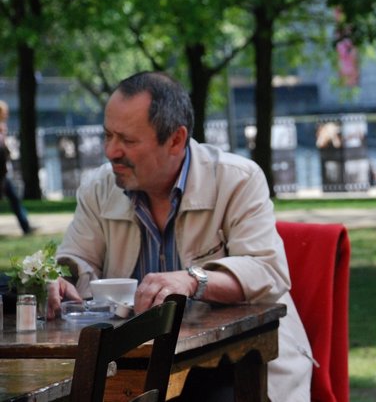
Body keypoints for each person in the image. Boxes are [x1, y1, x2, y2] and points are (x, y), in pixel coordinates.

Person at [49, 71, 313, 401]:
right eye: (107, 136)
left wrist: (192, 281)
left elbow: (268, 272)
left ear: (175, 140)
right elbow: (76, 260)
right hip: (133, 365)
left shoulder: (237, 179)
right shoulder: (99, 187)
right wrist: (61, 281)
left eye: (128, 141)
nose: (111, 152)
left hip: (235, 364)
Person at [0, 101, 34, 235]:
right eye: (5, 112)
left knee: (14, 199)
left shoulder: (3, 128)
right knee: (14, 199)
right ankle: (26, 226)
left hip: (4, 172)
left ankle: (26, 226)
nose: (7, 114)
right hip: (2, 172)